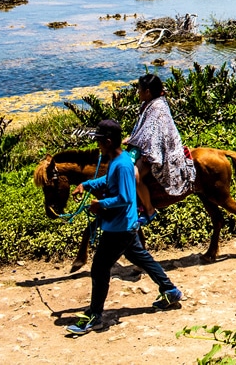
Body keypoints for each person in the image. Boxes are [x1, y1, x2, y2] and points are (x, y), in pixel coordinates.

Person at [65, 120, 183, 336]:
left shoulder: (121, 164)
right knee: (141, 257)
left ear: (108, 141)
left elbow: (125, 197)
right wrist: (87, 185)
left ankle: (94, 316)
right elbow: (109, 182)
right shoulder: (118, 161)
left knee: (99, 269)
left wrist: (100, 205)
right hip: (126, 226)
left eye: (100, 141)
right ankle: (170, 290)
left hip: (119, 228)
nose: (98, 145)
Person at [125, 74, 195, 225]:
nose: (138, 92)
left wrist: (147, 153)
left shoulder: (157, 107)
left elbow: (156, 136)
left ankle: (149, 210)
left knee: (134, 175)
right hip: (150, 148)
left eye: (140, 89)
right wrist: (132, 139)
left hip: (161, 152)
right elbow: (145, 131)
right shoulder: (149, 104)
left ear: (148, 91)